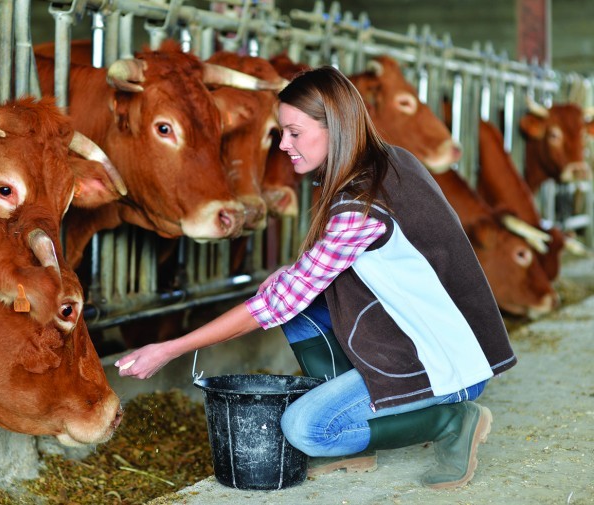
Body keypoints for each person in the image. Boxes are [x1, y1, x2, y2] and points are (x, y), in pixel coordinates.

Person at [115, 65, 517, 489]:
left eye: (293, 132)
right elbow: (290, 293)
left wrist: (171, 348)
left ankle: (452, 422)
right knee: (286, 295)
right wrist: (286, 277)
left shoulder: (361, 205)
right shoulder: (390, 161)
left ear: (335, 126)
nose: (284, 145)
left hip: (448, 366)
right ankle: (364, 435)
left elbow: (275, 305)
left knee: (307, 429)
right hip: (419, 335)